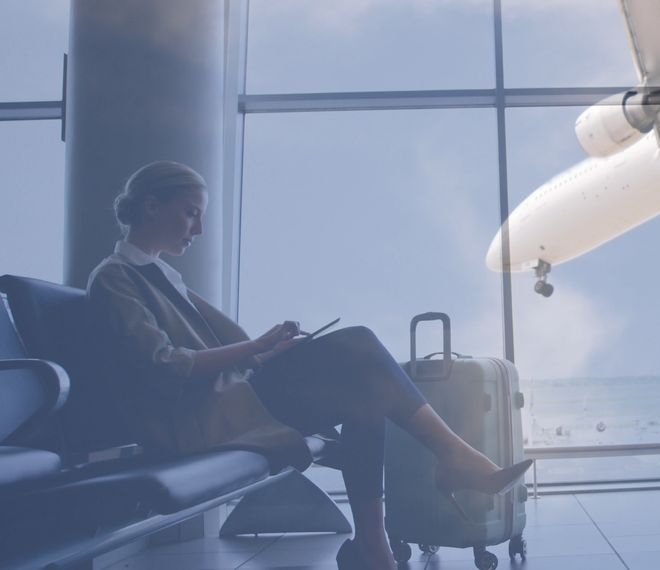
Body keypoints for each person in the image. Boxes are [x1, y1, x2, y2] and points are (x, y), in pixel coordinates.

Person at [87, 161, 532, 570]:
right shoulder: (116, 276)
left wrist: (269, 348)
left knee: (367, 391)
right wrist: (255, 349)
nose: (199, 229)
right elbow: (166, 365)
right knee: (360, 349)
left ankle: (376, 546)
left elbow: (234, 354)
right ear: (151, 206)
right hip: (198, 417)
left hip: (228, 399)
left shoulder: (162, 276)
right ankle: (447, 468)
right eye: (190, 213)